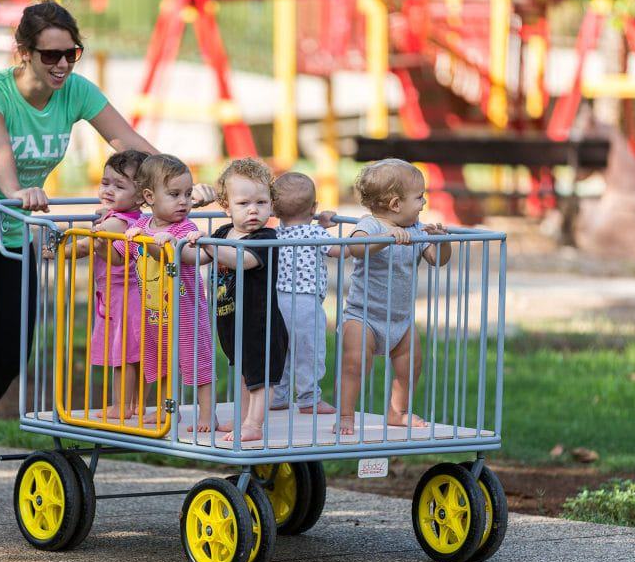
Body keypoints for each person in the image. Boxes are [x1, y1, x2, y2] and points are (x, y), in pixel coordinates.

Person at [0, 0, 162, 512]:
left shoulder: (74, 92)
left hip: (11, 238)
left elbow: (127, 142)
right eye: (50, 56)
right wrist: (18, 192)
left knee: (7, 356)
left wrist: (176, 185)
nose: (62, 65)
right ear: (22, 52)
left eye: (71, 53)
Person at [336, 159, 451, 436]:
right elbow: (356, 248)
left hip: (400, 319)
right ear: (396, 204)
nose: (423, 203)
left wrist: (441, 241)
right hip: (363, 317)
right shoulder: (370, 225)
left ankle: (397, 412)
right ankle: (345, 415)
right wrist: (387, 236)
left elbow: (437, 260)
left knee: (411, 365)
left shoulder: (416, 229)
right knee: (354, 364)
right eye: (419, 197)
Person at [192, 158, 288, 442]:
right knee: (244, 375)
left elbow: (241, 260)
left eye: (261, 202)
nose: (254, 210)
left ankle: (254, 424)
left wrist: (208, 244)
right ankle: (242, 419)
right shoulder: (223, 233)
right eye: (244, 203)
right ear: (226, 206)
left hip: (262, 324)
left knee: (261, 378)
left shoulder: (265, 237)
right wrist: (179, 245)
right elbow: (195, 257)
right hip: (232, 320)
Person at [123, 154, 216, 431]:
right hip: (154, 313)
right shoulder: (139, 227)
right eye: (174, 194)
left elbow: (187, 257)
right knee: (162, 363)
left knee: (196, 362)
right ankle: (167, 412)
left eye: (188, 194)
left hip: (186, 313)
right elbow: (119, 252)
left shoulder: (183, 228)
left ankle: (207, 414)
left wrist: (164, 243)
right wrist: (99, 237)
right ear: (150, 196)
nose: (184, 201)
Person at [62, 149, 149, 421]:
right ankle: (137, 405)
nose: (109, 190)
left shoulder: (115, 223)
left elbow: (87, 246)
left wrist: (59, 249)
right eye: (105, 182)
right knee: (137, 352)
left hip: (125, 297)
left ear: (141, 195)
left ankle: (120, 406)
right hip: (130, 295)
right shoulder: (135, 219)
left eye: (119, 186)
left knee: (122, 355)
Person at [269, 172, 344, 415]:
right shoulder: (315, 234)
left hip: (277, 300)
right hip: (305, 303)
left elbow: (298, 229)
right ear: (314, 208)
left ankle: (278, 395)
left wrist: (318, 224)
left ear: (274, 210)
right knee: (308, 351)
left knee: (281, 350)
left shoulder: (274, 235)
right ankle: (309, 399)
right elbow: (338, 251)